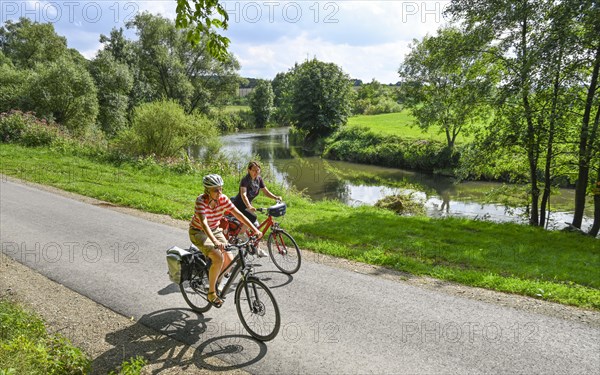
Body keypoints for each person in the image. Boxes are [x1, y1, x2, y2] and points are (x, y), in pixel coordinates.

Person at [189, 174, 262, 307]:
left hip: (215, 230)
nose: (219, 192)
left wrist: (254, 230)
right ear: (207, 190)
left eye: (221, 189)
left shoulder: (222, 199)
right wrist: (216, 242)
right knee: (218, 257)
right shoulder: (201, 201)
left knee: (229, 260)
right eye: (216, 190)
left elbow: (239, 215)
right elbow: (204, 224)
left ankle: (215, 282)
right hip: (198, 231)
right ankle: (211, 293)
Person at [231, 161, 281, 257]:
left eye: (258, 170)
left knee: (256, 228)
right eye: (253, 170)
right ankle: (240, 234)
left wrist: (275, 197)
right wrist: (249, 206)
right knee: (252, 218)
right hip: (239, 204)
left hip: (248, 205)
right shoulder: (245, 180)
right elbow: (243, 194)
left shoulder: (259, 179)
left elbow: (266, 192)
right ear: (249, 170)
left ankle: (256, 249)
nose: (256, 172)